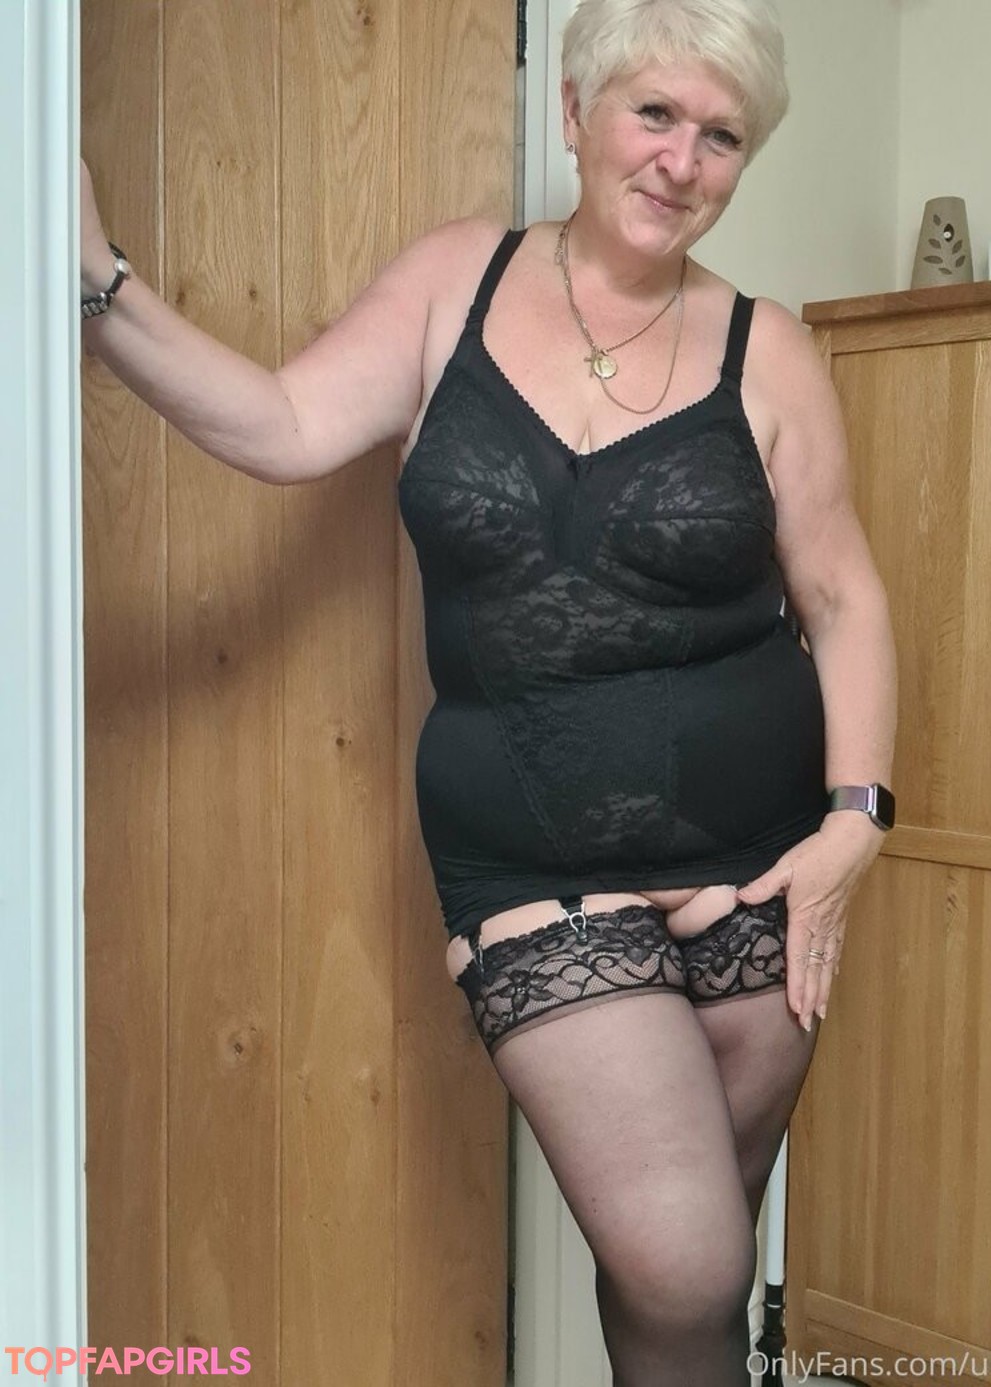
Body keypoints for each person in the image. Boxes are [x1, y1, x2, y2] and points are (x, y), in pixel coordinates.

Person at [81, 0, 896, 1381]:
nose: (681, 161)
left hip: (763, 868)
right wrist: (98, 282)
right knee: (688, 1261)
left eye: (720, 137)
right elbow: (285, 424)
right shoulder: (454, 283)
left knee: (684, 1284)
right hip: (532, 867)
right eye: (654, 114)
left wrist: (853, 823)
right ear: (576, 112)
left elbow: (841, 597)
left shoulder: (771, 352)